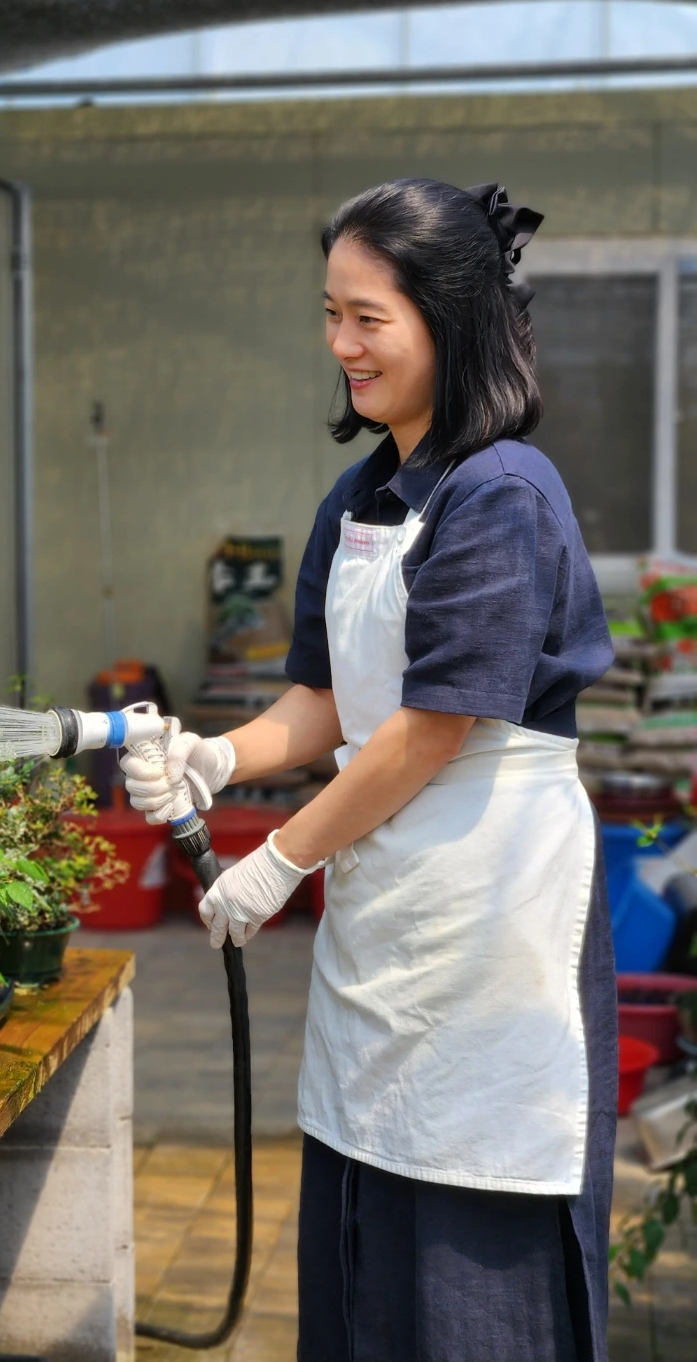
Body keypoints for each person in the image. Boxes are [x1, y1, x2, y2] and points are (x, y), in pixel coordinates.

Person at [120, 178, 617, 1362]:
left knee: (475, 1247)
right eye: (330, 313)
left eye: (368, 318)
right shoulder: (361, 496)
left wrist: (277, 859)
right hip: (390, 911)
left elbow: (434, 725)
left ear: (449, 318)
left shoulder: (502, 492)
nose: (341, 343)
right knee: (368, 1232)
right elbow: (332, 695)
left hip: (495, 913)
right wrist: (217, 755)